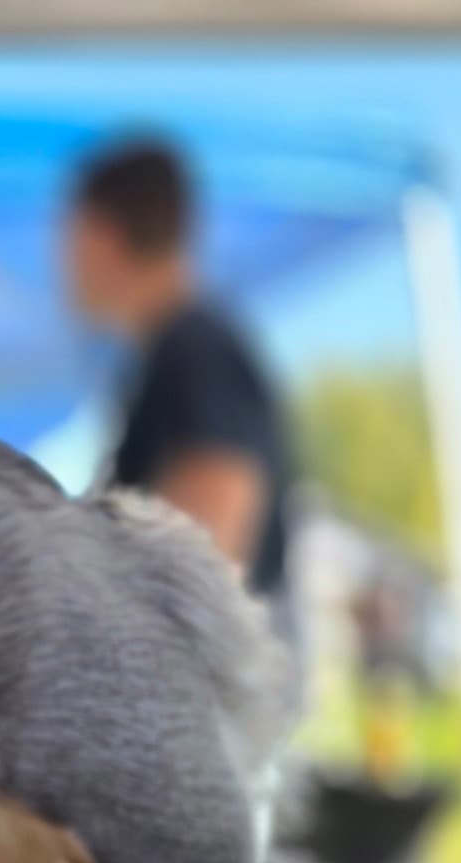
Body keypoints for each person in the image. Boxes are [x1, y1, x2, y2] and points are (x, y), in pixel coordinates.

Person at [67, 137, 300, 644]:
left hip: (202, 704)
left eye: (67, 239)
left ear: (100, 235)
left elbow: (206, 553)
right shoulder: (181, 351)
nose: (63, 264)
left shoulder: (194, 349)